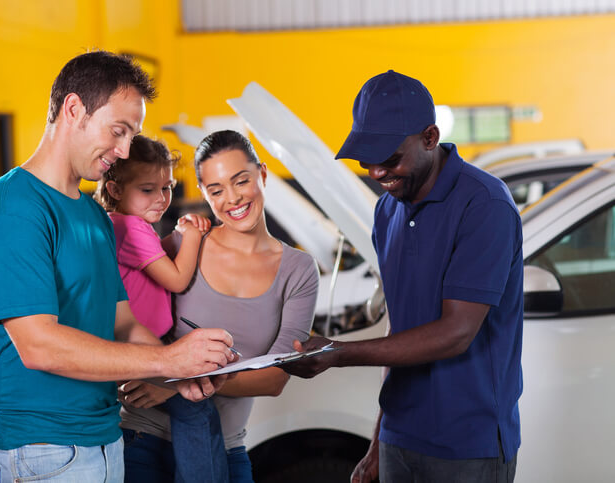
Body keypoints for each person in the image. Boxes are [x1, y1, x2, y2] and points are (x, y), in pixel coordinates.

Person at [0, 50, 235, 483]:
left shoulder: (92, 216)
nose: (125, 149)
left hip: (104, 437)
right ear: (74, 109)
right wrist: (170, 357)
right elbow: (39, 346)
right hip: (38, 449)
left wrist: (175, 372)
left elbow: (122, 323)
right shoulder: (11, 209)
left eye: (132, 135)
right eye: (118, 130)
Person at [283, 70, 523, 483]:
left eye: (390, 158)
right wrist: (379, 441)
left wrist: (339, 353)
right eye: (366, 161)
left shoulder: (484, 205)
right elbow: (401, 327)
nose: (376, 172)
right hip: (399, 440)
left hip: (467, 446)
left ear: (430, 137)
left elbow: (456, 333)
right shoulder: (387, 211)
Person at [118, 130, 320, 482]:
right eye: (216, 190)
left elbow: (274, 379)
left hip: (225, 449)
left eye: (241, 181)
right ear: (203, 193)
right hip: (143, 441)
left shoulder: (299, 271)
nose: (232, 199)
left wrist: (176, 380)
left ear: (263, 174)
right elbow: (124, 309)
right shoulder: (185, 243)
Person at [94, 134, 229, 483]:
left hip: (137, 344)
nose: (161, 199)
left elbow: (155, 255)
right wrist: (196, 235)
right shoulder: (132, 227)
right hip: (139, 346)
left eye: (167, 188)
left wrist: (180, 236)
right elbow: (176, 279)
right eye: (148, 189)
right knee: (195, 409)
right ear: (115, 189)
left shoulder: (120, 225)